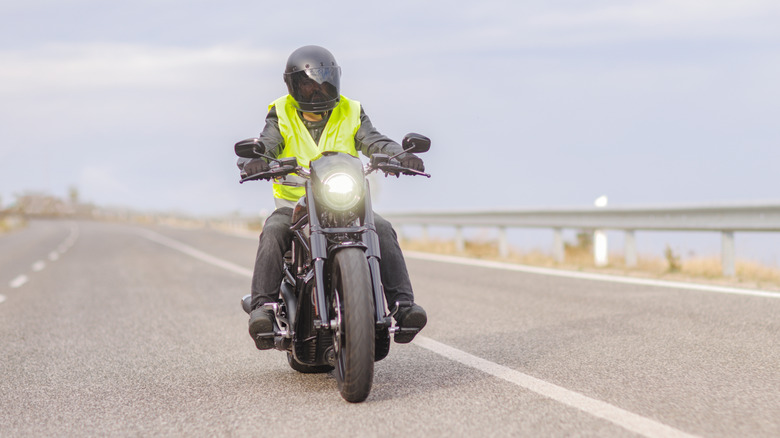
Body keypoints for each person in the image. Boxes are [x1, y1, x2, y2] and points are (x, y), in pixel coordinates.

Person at [238, 45, 427, 350]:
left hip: (344, 201)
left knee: (381, 228)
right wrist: (256, 160)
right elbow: (268, 143)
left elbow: (373, 140)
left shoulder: (350, 109)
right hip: (296, 203)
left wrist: (399, 155)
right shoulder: (281, 111)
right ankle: (264, 309)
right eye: (309, 84)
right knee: (273, 230)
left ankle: (403, 305)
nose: (317, 91)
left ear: (335, 82)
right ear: (293, 85)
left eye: (324, 83)